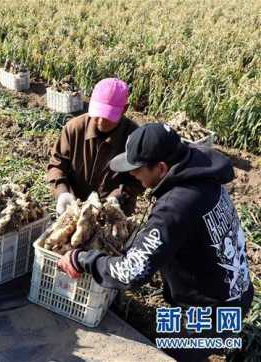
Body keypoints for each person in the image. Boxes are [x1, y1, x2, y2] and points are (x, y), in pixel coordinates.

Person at [57, 123, 254, 361]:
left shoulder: (176, 206)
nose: (132, 174)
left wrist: (82, 259)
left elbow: (131, 272)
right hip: (236, 294)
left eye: (137, 169)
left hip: (208, 315)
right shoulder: (202, 174)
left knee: (173, 353)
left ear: (161, 168)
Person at [47, 78, 144, 216]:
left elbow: (138, 179)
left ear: (124, 109)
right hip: (74, 206)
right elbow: (57, 164)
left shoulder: (134, 137)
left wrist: (118, 197)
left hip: (114, 211)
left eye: (108, 115)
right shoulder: (74, 129)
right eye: (98, 113)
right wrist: (63, 193)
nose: (100, 121)